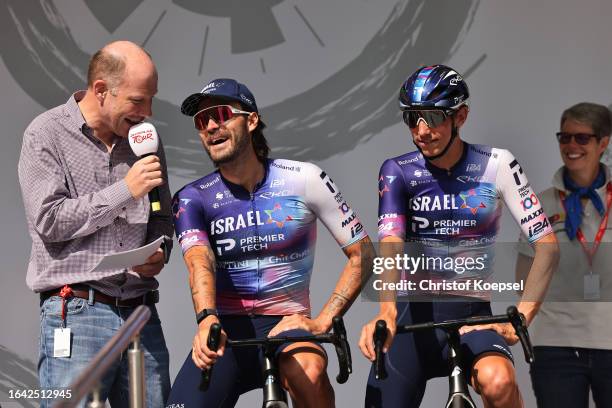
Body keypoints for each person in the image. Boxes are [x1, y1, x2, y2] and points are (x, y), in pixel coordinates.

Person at [358, 65, 560, 407]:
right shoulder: (399, 171)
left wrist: (521, 319)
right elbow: (391, 243)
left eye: (433, 117)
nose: (421, 131)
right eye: (412, 118)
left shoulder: (496, 164)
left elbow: (547, 248)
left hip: (472, 315)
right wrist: (385, 311)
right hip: (411, 317)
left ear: (460, 116)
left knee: (499, 383)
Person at [165, 78, 374, 408]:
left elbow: (363, 253)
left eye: (220, 114)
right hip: (225, 330)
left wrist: (323, 321)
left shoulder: (303, 178)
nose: (210, 127)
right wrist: (207, 317)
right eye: (202, 121)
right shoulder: (193, 198)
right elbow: (198, 261)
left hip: (286, 328)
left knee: (311, 372)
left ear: (250, 121)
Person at [18, 41, 173, 407]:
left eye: (152, 99)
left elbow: (162, 215)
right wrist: (125, 190)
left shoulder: (145, 140)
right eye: (138, 100)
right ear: (101, 90)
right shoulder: (46, 134)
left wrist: (159, 249)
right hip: (76, 309)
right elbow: (49, 219)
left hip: (140, 310)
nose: (147, 112)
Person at [516, 102, 612, 408]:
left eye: (582, 138)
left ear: (603, 142)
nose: (571, 146)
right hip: (555, 346)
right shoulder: (540, 204)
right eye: (564, 137)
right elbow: (524, 278)